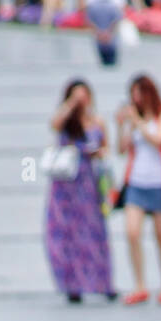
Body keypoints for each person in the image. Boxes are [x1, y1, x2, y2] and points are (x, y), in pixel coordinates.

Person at [45, 80, 116, 304]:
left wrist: (97, 152)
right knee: (67, 234)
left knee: (94, 232)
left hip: (89, 183)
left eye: (83, 96)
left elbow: (106, 148)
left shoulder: (97, 121)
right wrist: (69, 106)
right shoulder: (66, 121)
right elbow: (54, 125)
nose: (81, 101)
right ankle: (72, 284)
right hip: (66, 185)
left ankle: (103, 282)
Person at [116, 75, 161, 306]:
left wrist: (138, 122)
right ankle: (140, 285)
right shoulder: (135, 119)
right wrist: (122, 125)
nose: (136, 99)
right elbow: (121, 150)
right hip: (136, 182)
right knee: (132, 233)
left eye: (140, 93)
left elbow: (158, 139)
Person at [84, 0, 123, 67]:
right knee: (112, 64)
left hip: (100, 39)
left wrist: (100, 33)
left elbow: (89, 22)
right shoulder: (113, 6)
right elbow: (116, 21)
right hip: (110, 40)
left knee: (103, 63)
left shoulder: (92, 7)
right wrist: (108, 33)